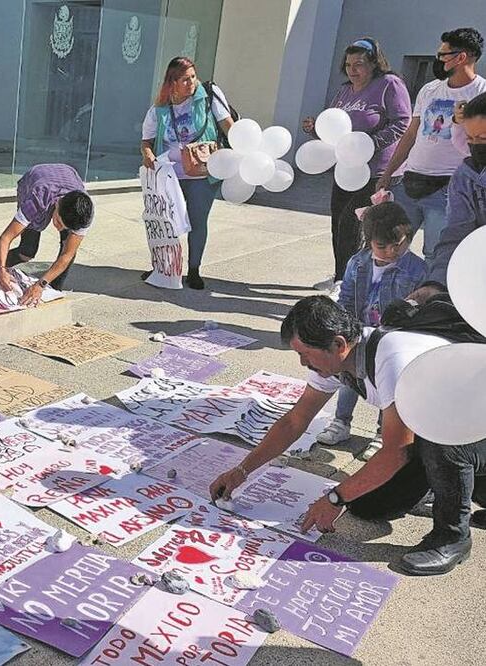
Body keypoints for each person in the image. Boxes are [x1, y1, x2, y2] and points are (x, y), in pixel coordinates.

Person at [209, 296, 486, 576]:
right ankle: (461, 485)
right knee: (368, 505)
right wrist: (242, 470)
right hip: (460, 422)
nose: (303, 363)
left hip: (471, 425)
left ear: (338, 344)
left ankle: (452, 538)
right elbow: (295, 421)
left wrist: (333, 499)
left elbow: (396, 451)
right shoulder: (334, 361)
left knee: (444, 440)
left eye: (305, 354)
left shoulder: (392, 360)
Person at [301, 38, 411, 292]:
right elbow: (335, 127)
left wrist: (370, 143)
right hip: (345, 169)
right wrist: (315, 128)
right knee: (338, 221)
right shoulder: (344, 91)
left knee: (354, 223)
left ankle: (347, 282)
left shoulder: (389, 84)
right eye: (348, 64)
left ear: (374, 63)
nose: (352, 69)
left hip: (376, 171)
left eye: (359, 64)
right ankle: (340, 275)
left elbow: (402, 122)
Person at [316, 202, 425, 455]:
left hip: (391, 338)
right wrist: (343, 328)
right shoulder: (358, 262)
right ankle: (341, 421)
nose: (391, 251)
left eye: (399, 244)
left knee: (388, 385)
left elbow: (416, 309)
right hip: (358, 332)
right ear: (369, 240)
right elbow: (346, 297)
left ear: (408, 236)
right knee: (349, 379)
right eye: (382, 246)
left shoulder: (416, 269)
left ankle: (382, 432)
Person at [376, 27, 486, 262]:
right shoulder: (430, 89)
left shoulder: (481, 93)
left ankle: (428, 299)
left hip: (447, 188)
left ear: (461, 57)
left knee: (436, 254)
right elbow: (411, 134)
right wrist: (388, 173)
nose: (438, 60)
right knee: (389, 247)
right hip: (410, 181)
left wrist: (462, 121)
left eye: (443, 55)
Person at [140, 56, 235, 290]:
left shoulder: (208, 98)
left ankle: (194, 270)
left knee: (197, 221)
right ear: (172, 82)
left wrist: (238, 155)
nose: (191, 83)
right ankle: (164, 267)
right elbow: (146, 141)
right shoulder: (159, 109)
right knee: (166, 223)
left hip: (204, 173)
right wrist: (148, 155)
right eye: (184, 79)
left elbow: (229, 127)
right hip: (171, 174)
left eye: (193, 76)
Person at [409, 91, 486, 305]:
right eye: (470, 139)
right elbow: (456, 234)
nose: (476, 146)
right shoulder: (465, 177)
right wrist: (435, 283)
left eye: (483, 139)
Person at [0, 164, 94, 304]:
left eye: (64, 226)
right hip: (35, 179)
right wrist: (1, 269)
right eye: (58, 222)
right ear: (57, 203)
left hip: (68, 176)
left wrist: (41, 285)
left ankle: (53, 290)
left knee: (68, 247)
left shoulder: (84, 214)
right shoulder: (37, 199)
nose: (59, 229)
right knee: (27, 251)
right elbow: (6, 238)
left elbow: (67, 255)